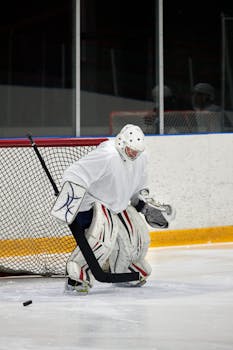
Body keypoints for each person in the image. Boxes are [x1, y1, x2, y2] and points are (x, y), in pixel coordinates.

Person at [51, 124, 175, 295]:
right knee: (103, 238)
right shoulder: (107, 154)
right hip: (92, 204)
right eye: (130, 150)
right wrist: (69, 201)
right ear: (121, 142)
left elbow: (135, 187)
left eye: (136, 151)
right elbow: (75, 173)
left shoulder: (141, 157)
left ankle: (125, 267)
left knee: (137, 238)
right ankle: (78, 275)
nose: (133, 154)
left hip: (116, 204)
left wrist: (142, 205)